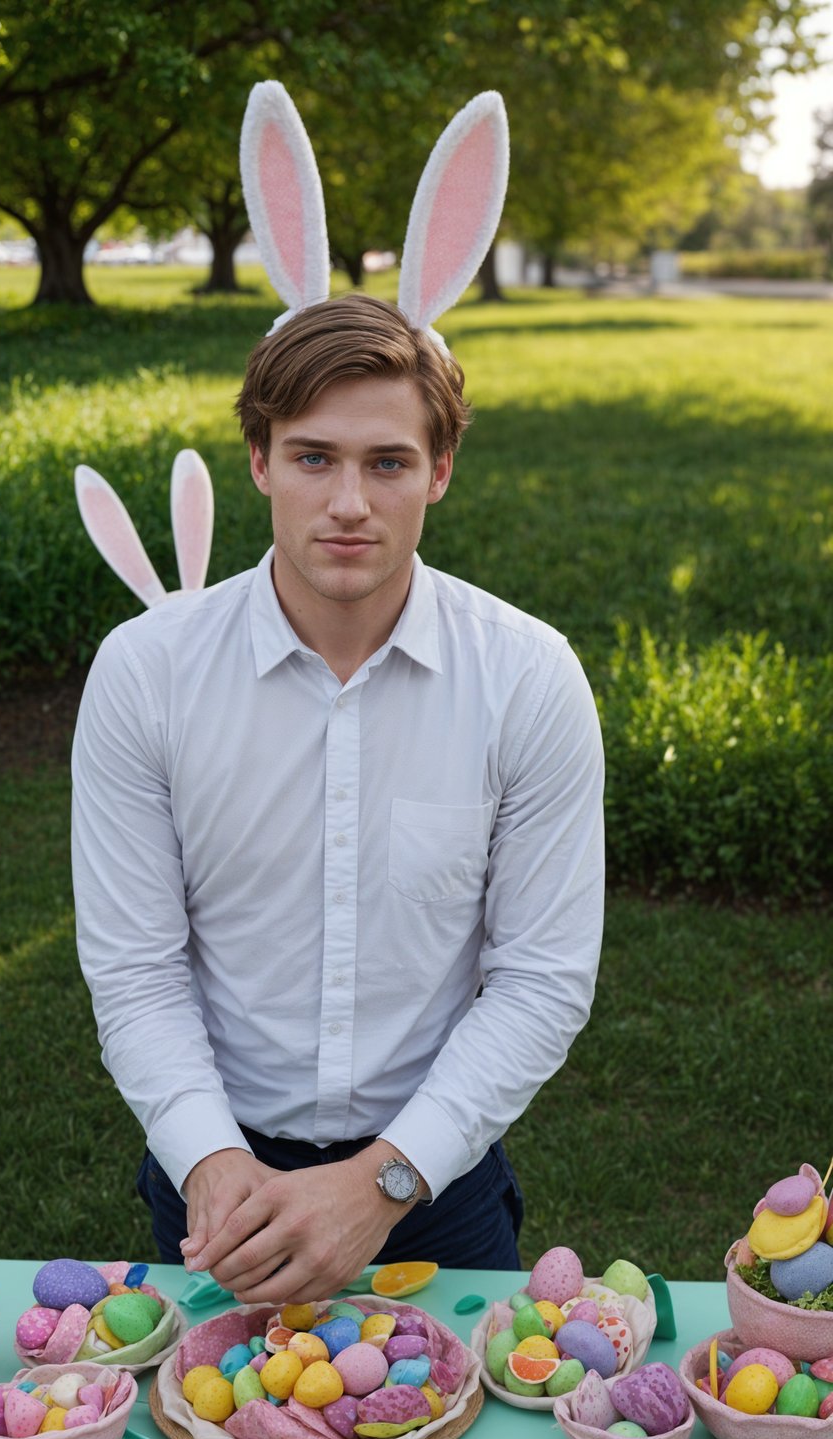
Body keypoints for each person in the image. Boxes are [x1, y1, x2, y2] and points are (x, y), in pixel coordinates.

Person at [71, 289, 605, 1305]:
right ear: (261, 462)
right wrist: (214, 1168)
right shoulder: (146, 673)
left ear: (438, 472)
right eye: (314, 457)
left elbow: (540, 979)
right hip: (215, 1180)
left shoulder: (528, 678)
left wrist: (383, 1182)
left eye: (387, 462)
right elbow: (136, 970)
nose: (349, 502)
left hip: (434, 1180)